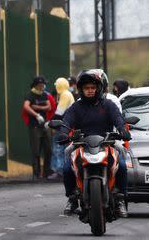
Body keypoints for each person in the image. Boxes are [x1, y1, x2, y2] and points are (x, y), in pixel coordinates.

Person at [59, 70, 131, 218]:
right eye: (87, 88)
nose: (90, 91)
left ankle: (120, 199)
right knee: (67, 165)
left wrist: (123, 129)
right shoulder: (76, 107)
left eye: (92, 88)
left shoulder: (108, 105)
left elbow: (118, 119)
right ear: (82, 90)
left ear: (98, 88)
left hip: (107, 142)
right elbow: (67, 121)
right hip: (81, 143)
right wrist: (63, 132)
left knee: (122, 165)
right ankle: (72, 198)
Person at [23, 76, 52, 180]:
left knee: (48, 149)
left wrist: (37, 107)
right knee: (36, 150)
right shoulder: (30, 95)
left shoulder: (44, 95)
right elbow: (26, 107)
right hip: (35, 125)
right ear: (37, 85)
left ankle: (46, 173)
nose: (43, 86)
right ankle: (36, 173)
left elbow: (49, 107)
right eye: (42, 84)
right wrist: (36, 115)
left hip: (44, 124)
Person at [49, 77, 76, 179]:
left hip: (63, 127)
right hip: (69, 126)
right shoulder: (68, 94)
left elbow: (59, 113)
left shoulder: (64, 95)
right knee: (65, 148)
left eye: (57, 85)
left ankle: (59, 170)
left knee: (57, 148)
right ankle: (65, 170)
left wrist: (50, 122)